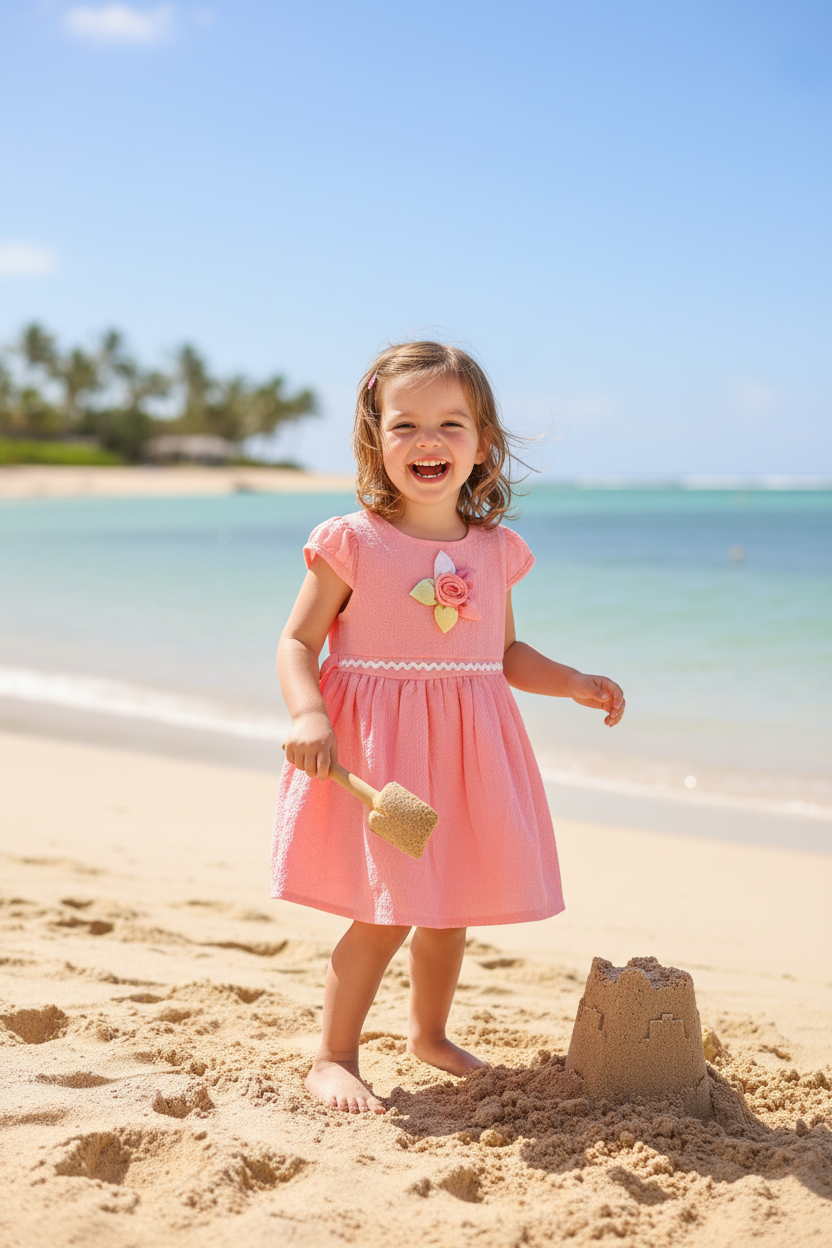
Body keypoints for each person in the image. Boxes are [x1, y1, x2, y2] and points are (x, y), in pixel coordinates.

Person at [272, 341, 625, 1115]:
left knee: (449, 907)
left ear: (483, 444)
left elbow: (502, 654)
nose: (428, 441)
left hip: (467, 756)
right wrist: (308, 712)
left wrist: (569, 682)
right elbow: (297, 642)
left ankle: (429, 1035)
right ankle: (334, 1054)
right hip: (383, 759)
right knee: (383, 912)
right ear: (375, 439)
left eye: (450, 423)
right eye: (405, 425)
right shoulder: (352, 542)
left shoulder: (495, 551)